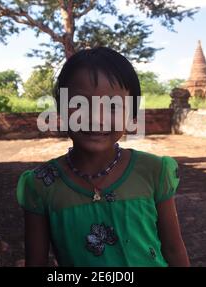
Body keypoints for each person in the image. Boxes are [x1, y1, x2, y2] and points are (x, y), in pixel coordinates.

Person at [17, 47, 190, 267]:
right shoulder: (40, 185)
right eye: (79, 105)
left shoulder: (154, 171)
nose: (96, 118)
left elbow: (174, 250)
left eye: (113, 106)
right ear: (60, 110)